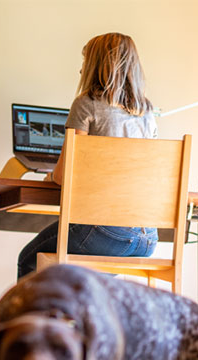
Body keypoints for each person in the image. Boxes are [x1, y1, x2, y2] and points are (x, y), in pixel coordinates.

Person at [17, 32, 160, 279]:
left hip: (106, 232)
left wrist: (50, 176)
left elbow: (64, 176)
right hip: (147, 238)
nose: (81, 69)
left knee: (28, 260)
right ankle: (84, 317)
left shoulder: (87, 103)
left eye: (85, 62)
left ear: (95, 66)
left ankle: (38, 319)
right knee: (93, 276)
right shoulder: (147, 113)